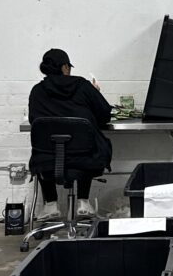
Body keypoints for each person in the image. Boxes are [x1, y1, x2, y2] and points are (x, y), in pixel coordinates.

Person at [27, 48, 113, 217]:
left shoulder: (37, 91)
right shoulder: (82, 85)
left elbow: (34, 122)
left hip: (47, 161)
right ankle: (83, 201)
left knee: (46, 150)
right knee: (88, 146)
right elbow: (105, 115)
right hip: (85, 159)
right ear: (65, 67)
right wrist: (95, 95)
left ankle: (50, 204)